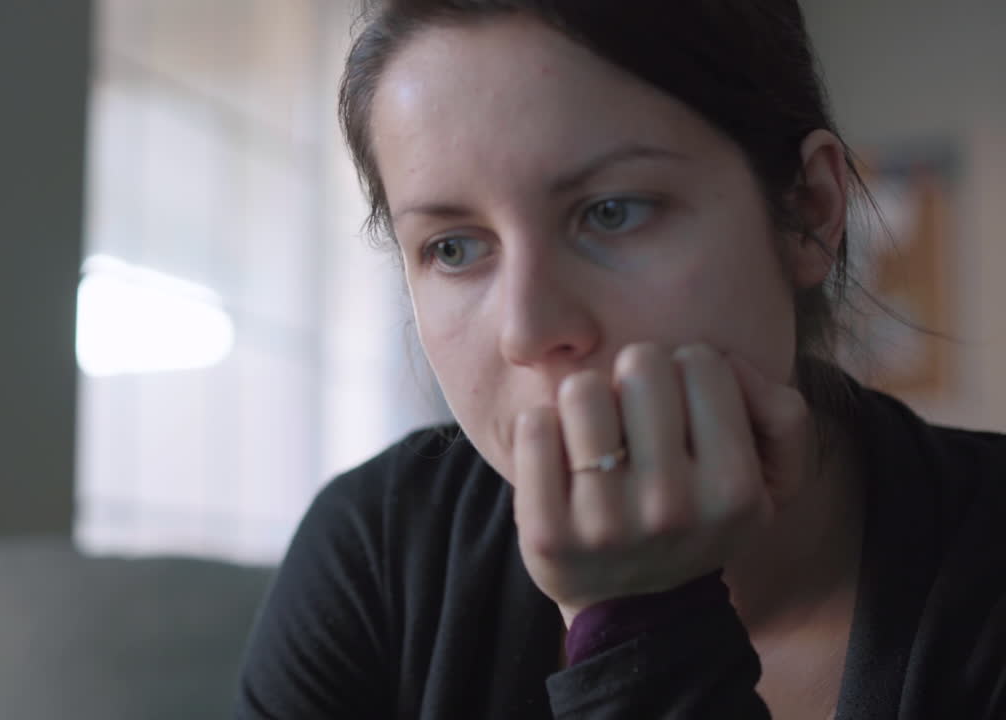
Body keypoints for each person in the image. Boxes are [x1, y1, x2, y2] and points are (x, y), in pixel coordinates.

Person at [235, 1, 1006, 718]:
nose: (530, 328)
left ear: (808, 213)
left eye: (611, 211)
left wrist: (640, 628)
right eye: (454, 248)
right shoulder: (375, 557)